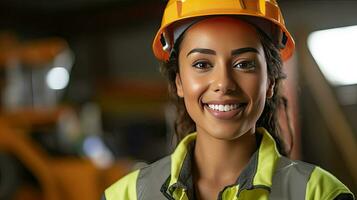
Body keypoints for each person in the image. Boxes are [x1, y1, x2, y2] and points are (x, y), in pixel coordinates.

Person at [103, 0, 355, 199]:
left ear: (271, 83)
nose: (224, 83)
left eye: (244, 64)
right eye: (202, 64)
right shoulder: (125, 196)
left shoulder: (320, 194)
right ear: (179, 82)